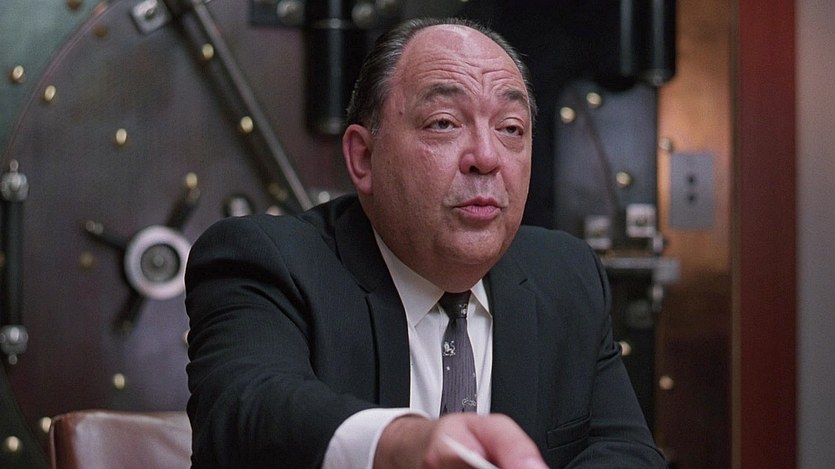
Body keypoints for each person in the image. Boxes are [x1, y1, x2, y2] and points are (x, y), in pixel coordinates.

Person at [185, 17, 667, 469]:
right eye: (444, 123)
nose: (486, 157)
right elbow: (245, 411)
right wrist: (404, 444)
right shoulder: (268, 261)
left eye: (510, 129)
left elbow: (625, 451)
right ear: (363, 158)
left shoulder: (566, 274)